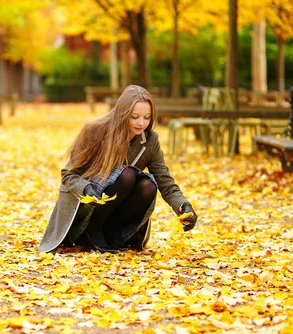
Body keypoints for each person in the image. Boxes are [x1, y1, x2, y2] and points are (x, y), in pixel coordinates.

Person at [38, 85, 198, 254]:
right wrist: (86, 189)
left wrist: (183, 206)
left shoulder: (150, 140)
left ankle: (115, 234)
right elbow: (68, 174)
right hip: (87, 206)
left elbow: (164, 181)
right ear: (122, 113)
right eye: (134, 117)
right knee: (127, 174)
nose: (141, 123)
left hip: (116, 212)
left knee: (147, 185)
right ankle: (92, 231)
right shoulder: (95, 130)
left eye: (147, 117)